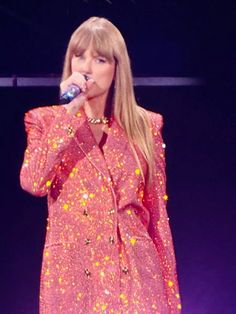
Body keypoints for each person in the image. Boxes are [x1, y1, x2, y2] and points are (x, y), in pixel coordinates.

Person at [20, 16, 181, 314]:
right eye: (78, 56)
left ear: (117, 69)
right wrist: (68, 112)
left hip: (136, 276)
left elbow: (158, 218)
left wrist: (171, 304)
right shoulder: (45, 120)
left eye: (99, 59)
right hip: (73, 278)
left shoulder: (146, 126)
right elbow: (33, 182)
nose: (85, 68)